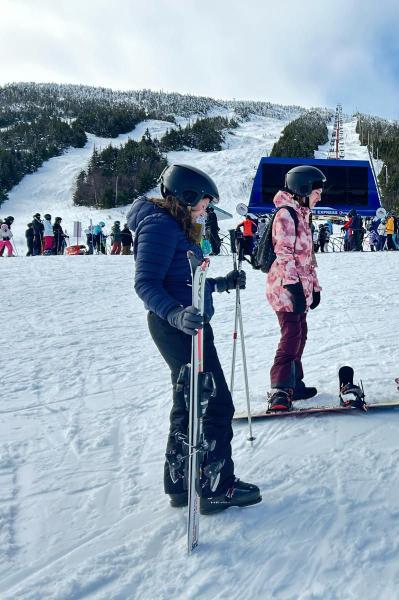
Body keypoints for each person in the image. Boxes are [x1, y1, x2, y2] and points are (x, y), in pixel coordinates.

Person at [127, 163, 260, 513]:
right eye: (203, 203)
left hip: (188, 322)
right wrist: (175, 314)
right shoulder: (160, 226)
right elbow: (146, 283)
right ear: (185, 197)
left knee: (189, 402)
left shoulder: (179, 225)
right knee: (216, 404)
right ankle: (217, 487)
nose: (206, 210)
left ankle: (181, 482)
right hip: (177, 328)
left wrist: (222, 284)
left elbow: (187, 283)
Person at [266, 165, 326, 412]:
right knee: (291, 335)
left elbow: (307, 259)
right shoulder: (286, 215)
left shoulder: (301, 214)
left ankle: (294, 383)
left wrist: (316, 288)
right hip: (285, 288)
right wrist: (293, 288)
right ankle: (280, 390)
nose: (319, 196)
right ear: (303, 189)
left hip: (300, 286)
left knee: (300, 333)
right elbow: (285, 256)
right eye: (316, 192)